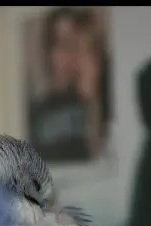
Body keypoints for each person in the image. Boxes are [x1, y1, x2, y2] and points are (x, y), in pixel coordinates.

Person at [27, 7, 109, 163]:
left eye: (76, 45)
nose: (71, 56)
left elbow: (100, 162)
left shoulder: (100, 100)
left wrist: (91, 99)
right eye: (64, 44)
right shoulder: (36, 110)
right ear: (49, 52)